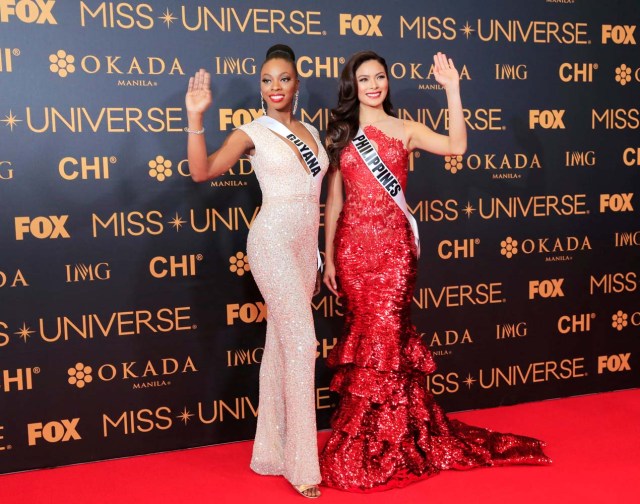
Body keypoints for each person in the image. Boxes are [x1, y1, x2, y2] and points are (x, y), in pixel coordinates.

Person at [319, 51, 551, 492]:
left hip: (394, 253)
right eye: (364, 78)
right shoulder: (342, 132)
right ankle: (369, 436)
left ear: (388, 82)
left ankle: (391, 440)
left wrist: (453, 90)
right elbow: (334, 199)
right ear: (353, 85)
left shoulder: (405, 129)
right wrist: (329, 257)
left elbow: (457, 146)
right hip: (352, 253)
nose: (374, 85)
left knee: (388, 340)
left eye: (380, 77)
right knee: (365, 339)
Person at [185, 44, 328, 498]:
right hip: (270, 242)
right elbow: (202, 171)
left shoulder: (312, 131)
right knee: (303, 344)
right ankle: (302, 465)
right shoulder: (252, 132)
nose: (275, 88)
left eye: (283, 78)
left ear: (297, 83)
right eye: (267, 80)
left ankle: (269, 451)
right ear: (260, 87)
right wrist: (195, 119)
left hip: (306, 248)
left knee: (282, 346)